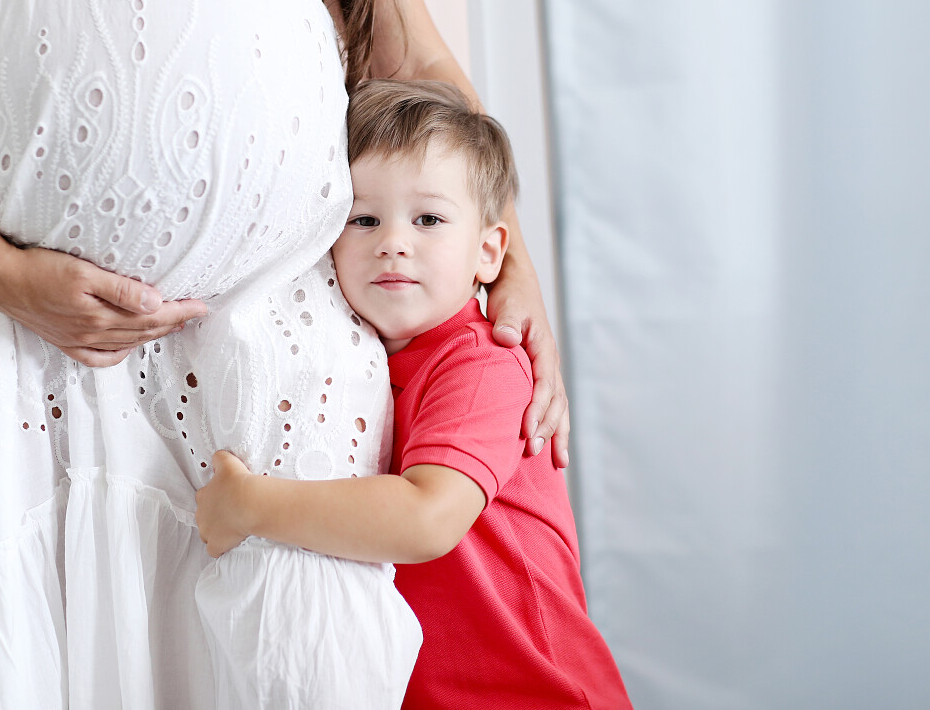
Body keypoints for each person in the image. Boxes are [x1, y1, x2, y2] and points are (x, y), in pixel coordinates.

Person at [0, 0, 572, 706]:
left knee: (302, 647)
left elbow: (405, 42)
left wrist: (510, 263)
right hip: (20, 325)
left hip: (283, 308)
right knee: (54, 648)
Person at [195, 79, 631, 709]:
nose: (392, 241)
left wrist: (251, 506)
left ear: (488, 252)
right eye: (364, 219)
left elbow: (428, 518)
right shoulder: (365, 364)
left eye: (428, 219)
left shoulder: (482, 363)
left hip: (536, 692)